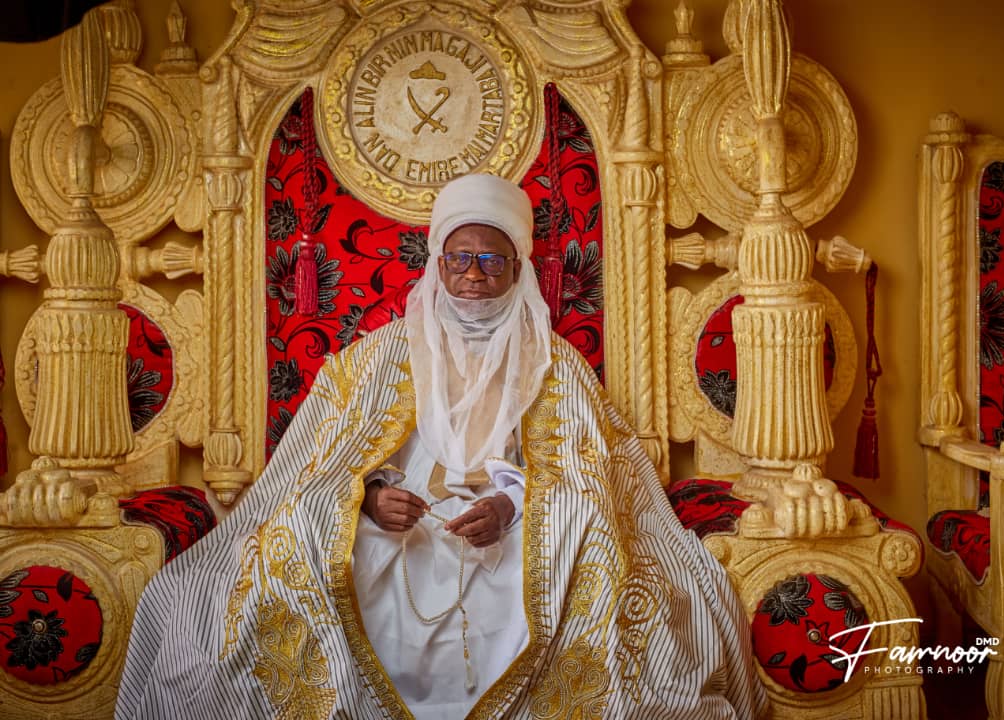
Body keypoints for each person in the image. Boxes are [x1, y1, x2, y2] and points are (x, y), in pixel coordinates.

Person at [115, 174, 767, 719]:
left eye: (491, 260)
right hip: (399, 525)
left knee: (582, 536)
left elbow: (583, 470)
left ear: (517, 268)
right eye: (460, 258)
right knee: (302, 537)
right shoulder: (381, 355)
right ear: (437, 263)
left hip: (516, 527)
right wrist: (369, 499)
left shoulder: (553, 363)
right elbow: (323, 461)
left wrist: (510, 507)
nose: (474, 274)